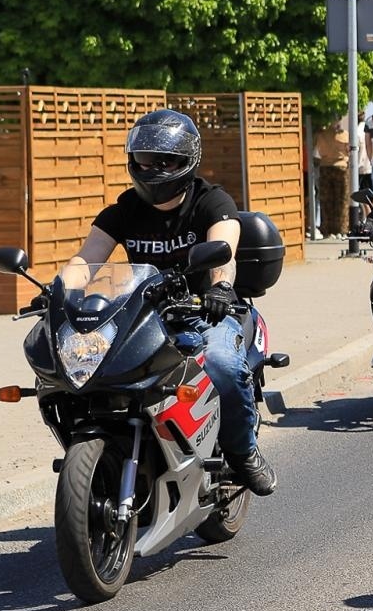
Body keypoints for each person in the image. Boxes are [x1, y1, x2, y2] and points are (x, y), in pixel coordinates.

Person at [65, 109, 276, 495]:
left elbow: (224, 249)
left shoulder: (212, 202)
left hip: (205, 312)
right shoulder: (125, 208)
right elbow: (87, 258)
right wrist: (61, 290)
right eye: (146, 158)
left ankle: (244, 452)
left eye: (166, 160)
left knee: (223, 364)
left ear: (188, 161)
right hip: (144, 317)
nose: (155, 167)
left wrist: (220, 289)